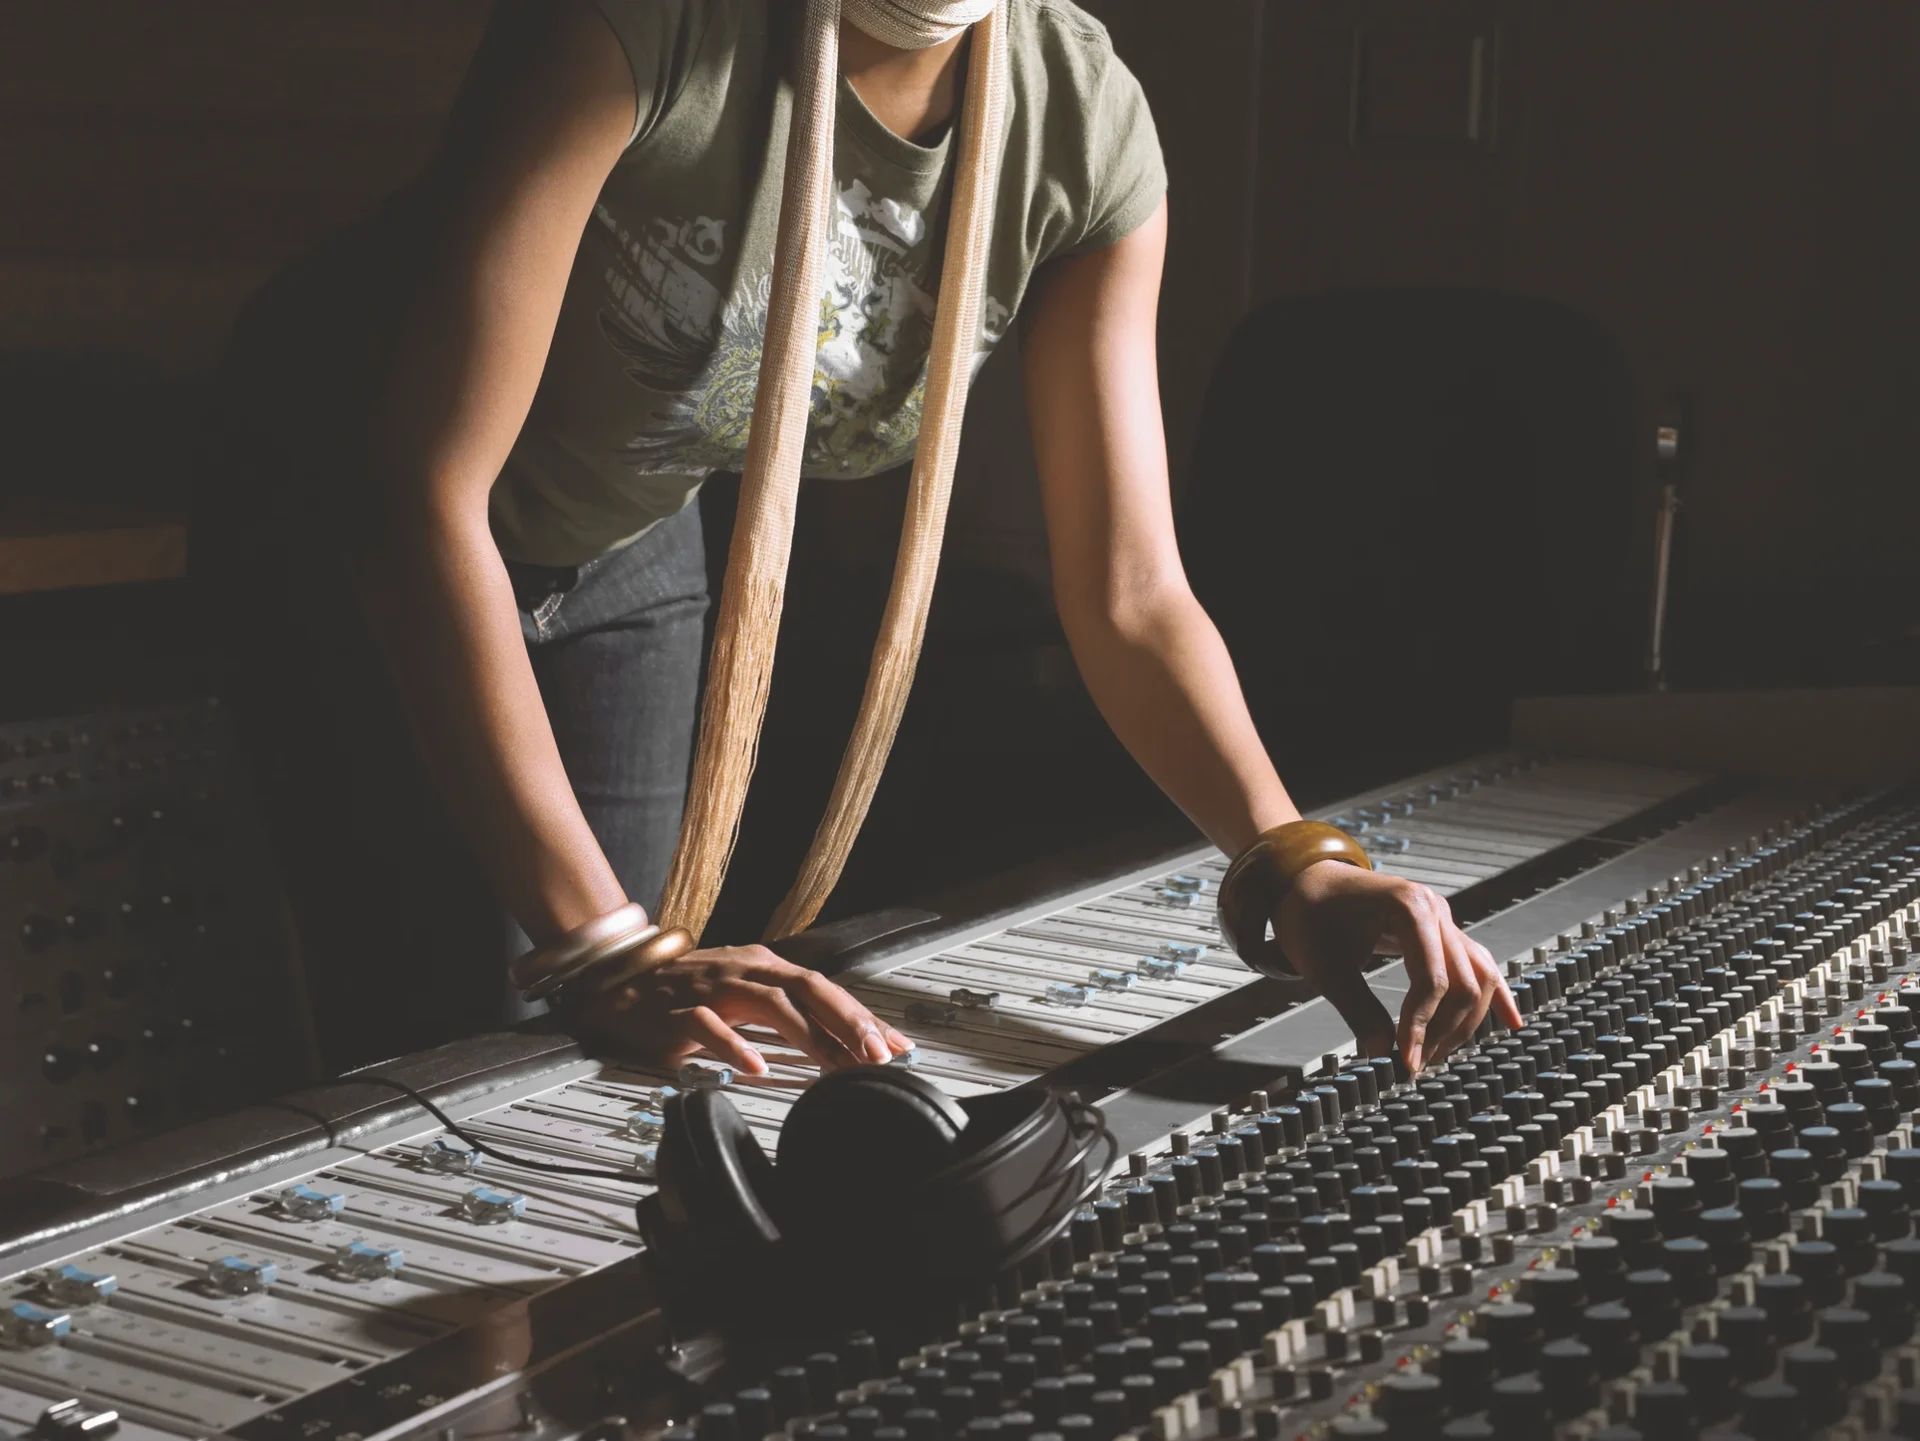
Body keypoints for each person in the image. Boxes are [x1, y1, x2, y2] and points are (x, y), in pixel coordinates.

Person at [190, 0, 1520, 1080]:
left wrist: (1292, 861)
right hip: (344, 506)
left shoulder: (1083, 125)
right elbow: (428, 498)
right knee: (445, 1037)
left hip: (631, 532)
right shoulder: (631, 28)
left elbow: (1128, 588)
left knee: (617, 1046)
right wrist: (601, 947)